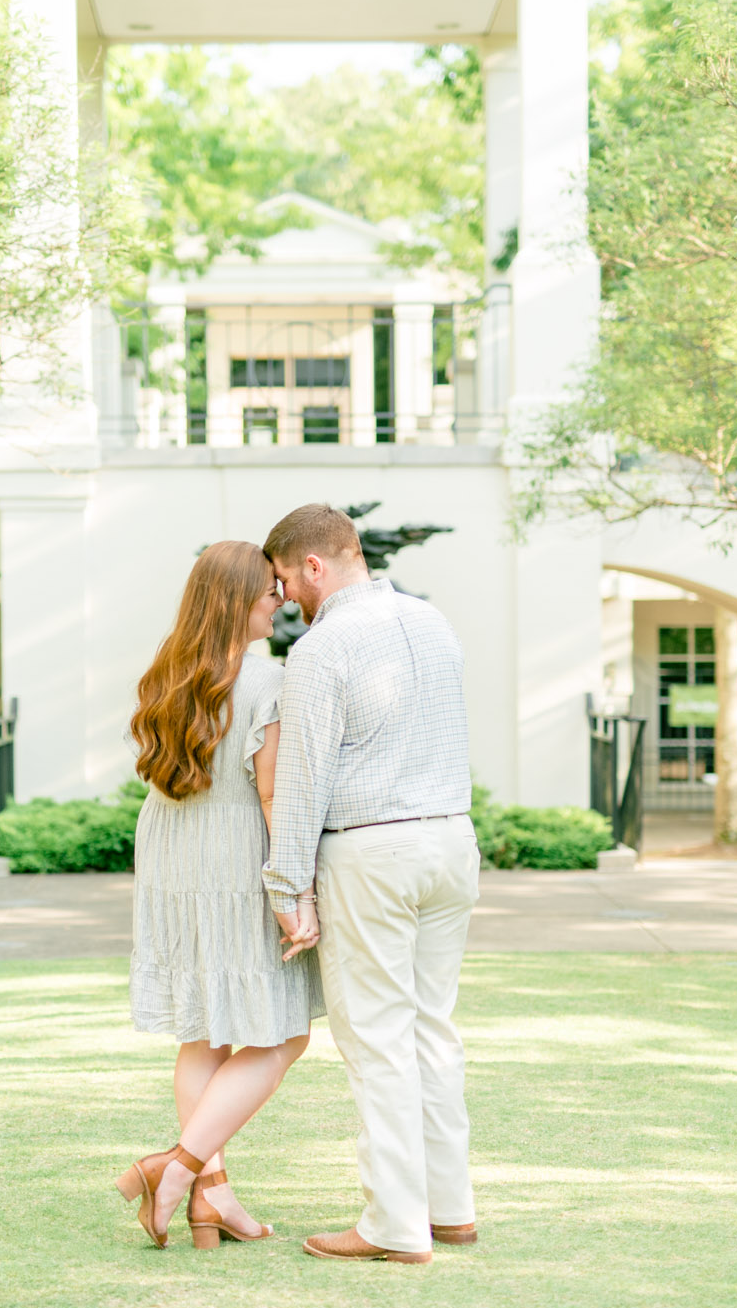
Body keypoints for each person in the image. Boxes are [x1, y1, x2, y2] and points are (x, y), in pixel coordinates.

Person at [261, 503, 480, 1266]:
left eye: (286, 578)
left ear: (315, 565)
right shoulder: (433, 622)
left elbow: (304, 775)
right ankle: (450, 1208)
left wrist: (288, 888)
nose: (287, 596)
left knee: (378, 1040)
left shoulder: (323, 648)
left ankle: (393, 1223)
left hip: (372, 849)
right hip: (452, 838)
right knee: (432, 1029)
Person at [114, 540, 323, 1250]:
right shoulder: (269, 680)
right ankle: (175, 1167)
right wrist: (291, 888)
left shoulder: (169, 670)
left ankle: (214, 1197)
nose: (282, 598)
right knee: (283, 1031)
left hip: (174, 848)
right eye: (269, 587)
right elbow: (270, 792)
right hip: (233, 854)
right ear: (238, 598)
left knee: (204, 1027)